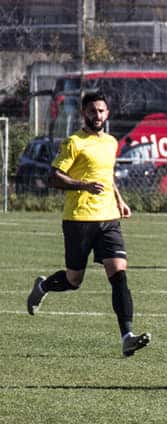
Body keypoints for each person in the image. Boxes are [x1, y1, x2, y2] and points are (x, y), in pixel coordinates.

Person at [26, 91, 151, 358]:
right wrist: (82, 185)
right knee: (74, 281)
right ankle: (43, 287)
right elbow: (54, 177)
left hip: (108, 219)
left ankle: (127, 336)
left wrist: (119, 200)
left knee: (119, 275)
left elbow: (107, 176)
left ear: (108, 113)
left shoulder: (111, 142)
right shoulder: (74, 143)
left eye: (102, 111)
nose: (98, 116)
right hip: (79, 219)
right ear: (84, 113)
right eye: (93, 111)